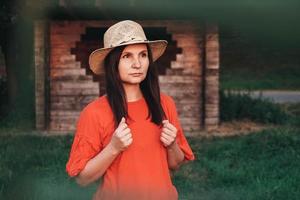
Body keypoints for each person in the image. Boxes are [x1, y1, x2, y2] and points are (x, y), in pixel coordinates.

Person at [66, 20, 195, 200]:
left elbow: (175, 164)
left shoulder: (165, 104)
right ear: (113, 62)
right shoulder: (95, 112)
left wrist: (172, 145)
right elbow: (82, 179)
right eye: (127, 56)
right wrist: (113, 147)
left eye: (142, 55)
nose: (137, 64)